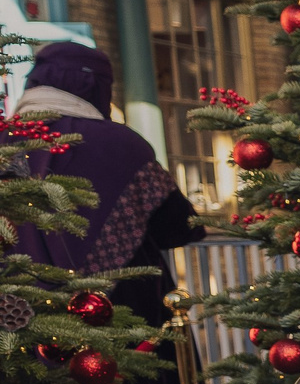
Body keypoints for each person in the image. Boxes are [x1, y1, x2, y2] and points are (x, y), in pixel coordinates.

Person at [13, 42, 198, 318]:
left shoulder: (7, 142)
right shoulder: (120, 144)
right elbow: (178, 226)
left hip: (18, 319)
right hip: (121, 314)